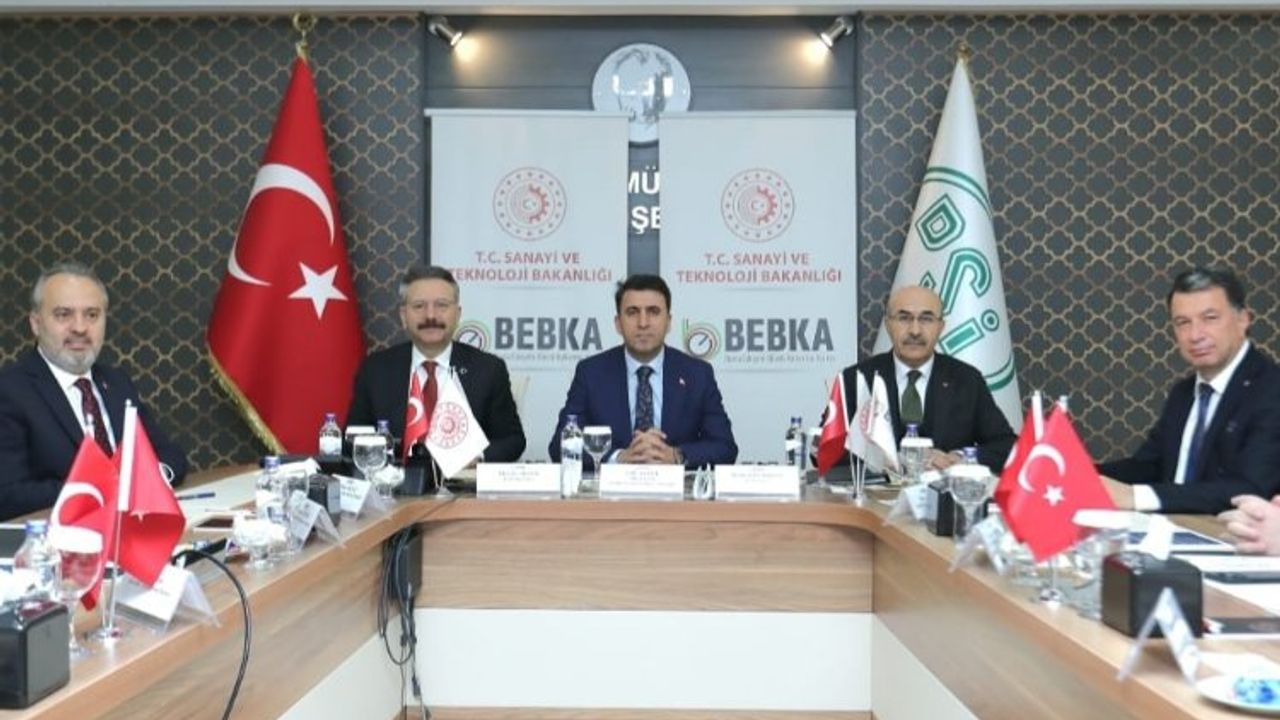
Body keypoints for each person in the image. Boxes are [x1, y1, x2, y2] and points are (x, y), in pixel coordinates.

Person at [0, 262, 189, 520]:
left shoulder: (117, 382)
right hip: (60, 536)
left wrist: (151, 480)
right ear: (36, 323)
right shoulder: (10, 391)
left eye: (91, 315)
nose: (80, 328)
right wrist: (104, 490)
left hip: (133, 529)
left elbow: (169, 454)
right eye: (63, 314)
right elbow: (8, 494)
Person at [1099, 268, 1280, 514]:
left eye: (1210, 318)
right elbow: (1149, 466)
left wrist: (1136, 496)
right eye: (1183, 323)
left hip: (1228, 534)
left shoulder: (1272, 389)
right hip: (1169, 529)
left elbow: (1249, 489)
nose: (1195, 335)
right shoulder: (1183, 393)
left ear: (1243, 319)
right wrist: (1081, 475)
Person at [548, 274, 737, 469]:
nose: (643, 323)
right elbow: (560, 446)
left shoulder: (697, 374)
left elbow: (725, 447)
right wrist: (619, 458)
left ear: (668, 321)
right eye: (632, 312)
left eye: (653, 312)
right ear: (618, 323)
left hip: (676, 487)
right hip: (613, 487)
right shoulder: (591, 373)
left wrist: (676, 456)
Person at [346, 264, 526, 462]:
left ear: (457, 314)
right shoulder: (375, 370)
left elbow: (512, 440)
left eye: (442, 305)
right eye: (419, 306)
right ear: (403, 316)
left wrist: (475, 457)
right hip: (395, 480)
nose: (430, 316)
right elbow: (352, 439)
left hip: (464, 480)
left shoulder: (488, 370)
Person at [835, 285, 1016, 474]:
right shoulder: (855, 379)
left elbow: (1006, 445)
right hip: (876, 492)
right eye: (904, 318)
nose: (915, 331)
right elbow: (827, 452)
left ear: (940, 327)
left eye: (926, 319)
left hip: (944, 491)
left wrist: (959, 459)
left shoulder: (967, 380)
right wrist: (881, 461)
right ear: (888, 325)